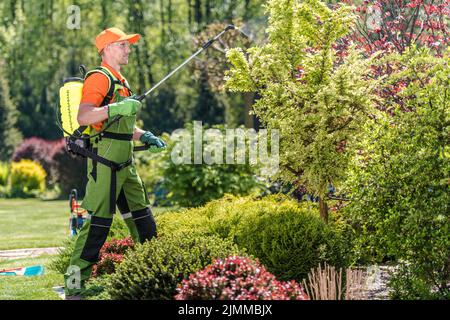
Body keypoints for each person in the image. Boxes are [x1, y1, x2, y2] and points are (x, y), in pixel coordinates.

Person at [64, 27, 166, 300]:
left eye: (128, 45)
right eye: (123, 45)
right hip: (105, 163)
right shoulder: (100, 78)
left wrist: (142, 134)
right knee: (98, 225)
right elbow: (85, 117)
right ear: (108, 47)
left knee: (143, 219)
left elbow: (117, 125)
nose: (129, 49)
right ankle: (74, 286)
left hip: (126, 163)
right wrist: (116, 108)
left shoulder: (122, 80)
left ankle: (153, 273)